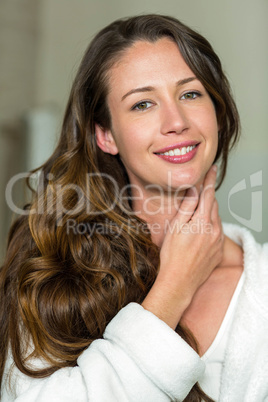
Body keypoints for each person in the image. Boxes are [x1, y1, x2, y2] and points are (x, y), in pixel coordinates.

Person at [0, 14, 267, 402]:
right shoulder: (52, 267)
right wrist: (174, 288)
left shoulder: (258, 284)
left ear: (218, 112)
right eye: (143, 104)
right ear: (105, 135)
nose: (176, 121)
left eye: (190, 94)